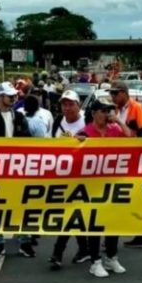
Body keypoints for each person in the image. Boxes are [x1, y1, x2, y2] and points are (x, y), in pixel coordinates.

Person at [77, 99, 132, 278]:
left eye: (109, 110)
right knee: (95, 224)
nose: (107, 114)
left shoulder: (114, 130)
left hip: (112, 183)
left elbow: (131, 139)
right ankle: (95, 261)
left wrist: (119, 121)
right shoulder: (86, 132)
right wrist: (78, 142)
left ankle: (111, 257)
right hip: (92, 186)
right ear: (93, 113)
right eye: (103, 111)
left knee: (112, 222)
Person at [0, 82, 35, 258]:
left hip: (17, 168)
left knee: (21, 205)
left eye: (14, 95)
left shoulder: (19, 117)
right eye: (9, 95)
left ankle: (25, 241)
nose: (13, 98)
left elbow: (28, 140)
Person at [48, 90, 91, 270]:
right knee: (73, 214)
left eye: (71, 104)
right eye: (64, 104)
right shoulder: (58, 122)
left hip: (84, 177)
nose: (67, 108)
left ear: (78, 105)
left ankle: (58, 253)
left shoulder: (87, 121)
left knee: (70, 213)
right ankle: (84, 249)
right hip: (63, 176)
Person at [111, 81, 142, 249]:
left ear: (123, 93)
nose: (112, 97)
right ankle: (137, 234)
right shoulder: (116, 109)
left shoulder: (137, 108)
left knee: (138, 195)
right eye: (111, 94)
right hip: (120, 158)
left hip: (136, 158)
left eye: (115, 93)